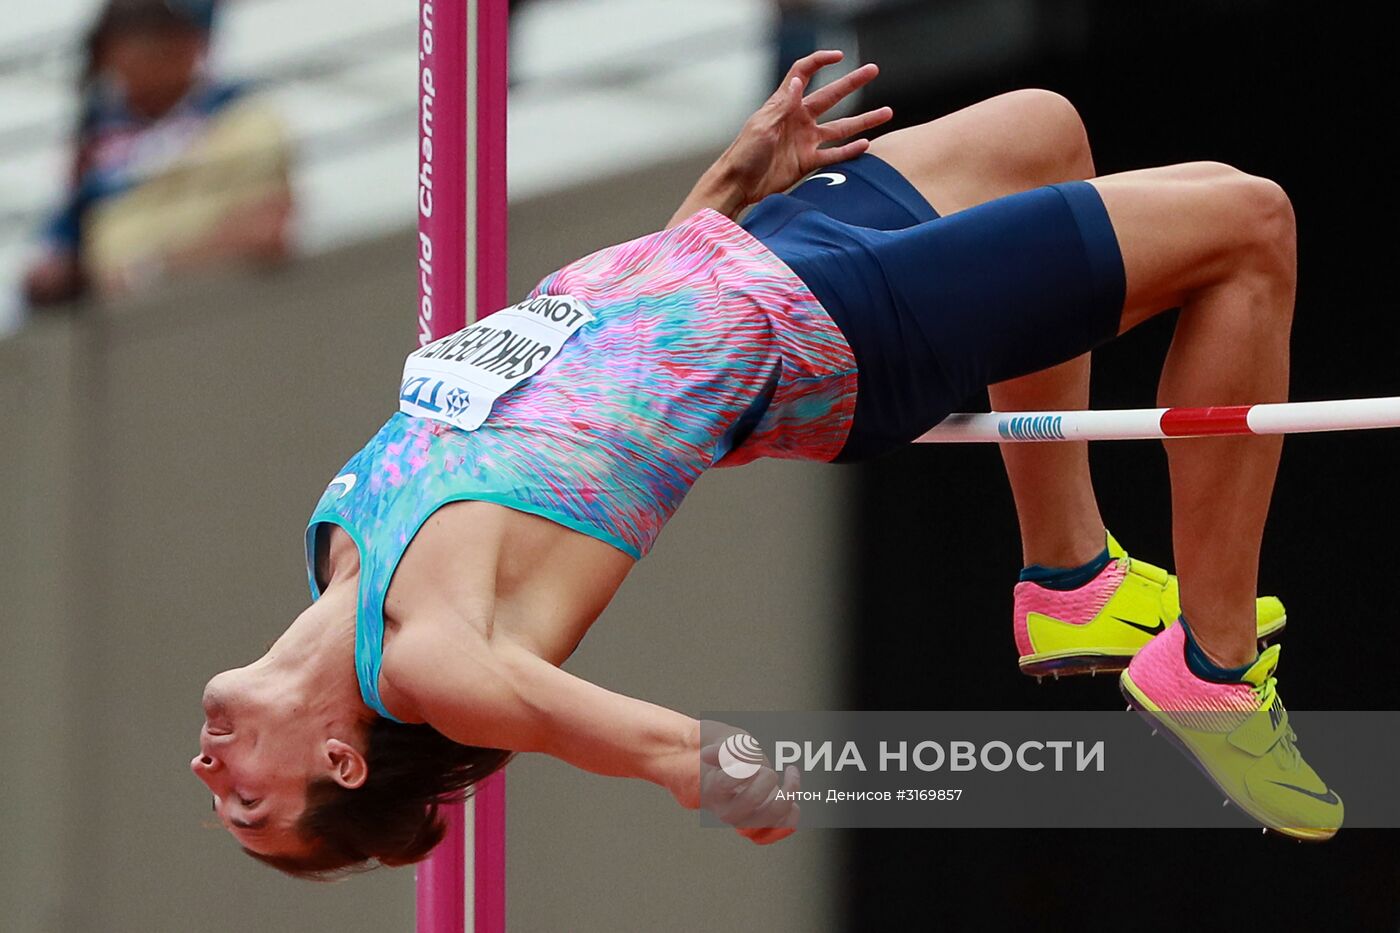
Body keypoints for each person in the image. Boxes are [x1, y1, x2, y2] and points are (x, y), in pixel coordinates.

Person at [193, 50, 1341, 877]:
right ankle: (1218, 668)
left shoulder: (340, 538)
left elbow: (596, 362)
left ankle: (1069, 581)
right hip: (830, 332)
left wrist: (729, 182)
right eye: (249, 804)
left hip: (740, 252)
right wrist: (735, 777)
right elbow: (678, 754)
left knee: (1038, 128)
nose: (210, 774)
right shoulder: (436, 664)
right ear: (342, 761)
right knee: (1249, 225)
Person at [24, 0, 291, 309]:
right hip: (115, 335)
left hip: (230, 312)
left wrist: (146, 271)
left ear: (190, 44)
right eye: (117, 46)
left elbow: (267, 230)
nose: (127, 60)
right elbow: (55, 255)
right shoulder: (97, 143)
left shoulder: (244, 118)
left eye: (149, 39)